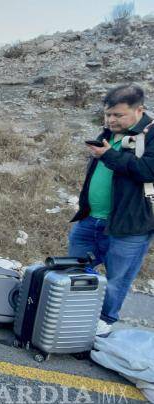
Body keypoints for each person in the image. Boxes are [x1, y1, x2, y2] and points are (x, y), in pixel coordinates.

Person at [68, 84, 154, 335]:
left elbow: (148, 170)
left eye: (118, 115)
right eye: (108, 114)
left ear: (139, 110)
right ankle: (71, 314)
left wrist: (107, 155)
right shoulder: (109, 132)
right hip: (90, 220)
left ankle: (104, 321)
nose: (111, 120)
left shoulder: (151, 135)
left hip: (129, 225)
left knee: (117, 279)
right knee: (73, 269)